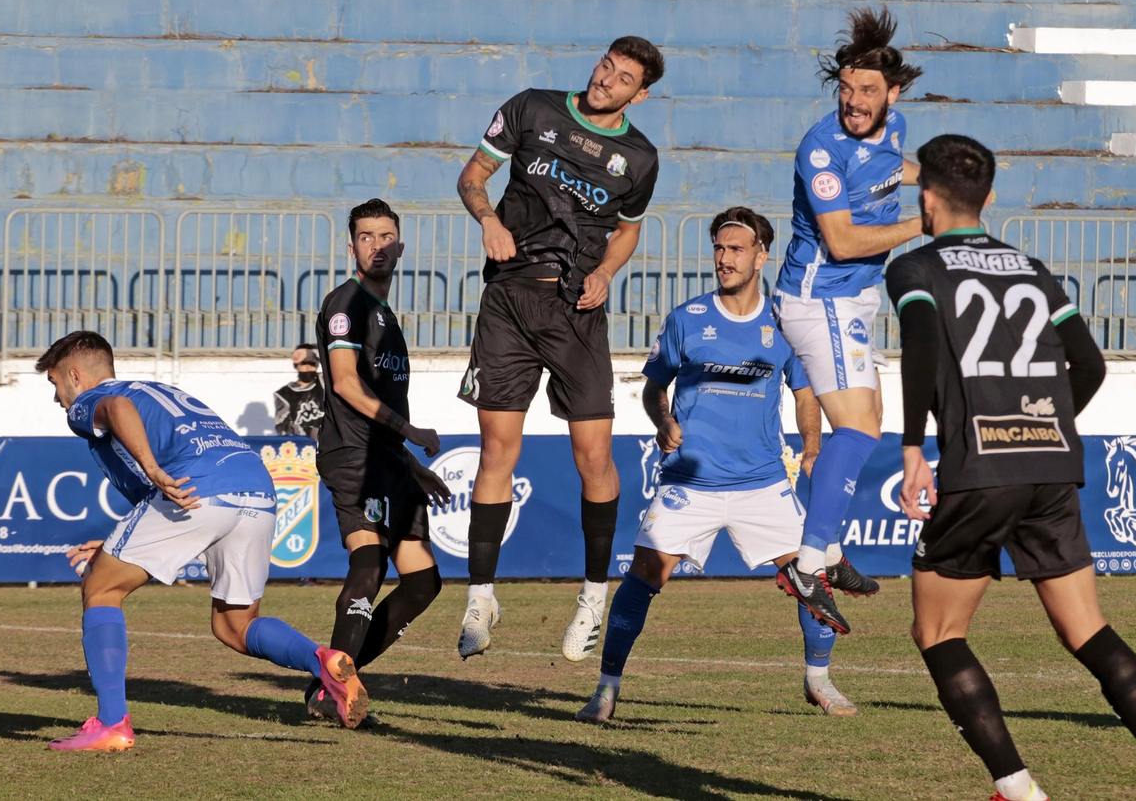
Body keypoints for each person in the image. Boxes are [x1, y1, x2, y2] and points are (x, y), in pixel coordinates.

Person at [887, 134, 1136, 801]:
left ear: (925, 197)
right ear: (990, 198)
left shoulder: (915, 268)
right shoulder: (1031, 267)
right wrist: (1051, 426)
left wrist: (913, 446)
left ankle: (1016, 785)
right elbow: (1090, 365)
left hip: (980, 467)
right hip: (1052, 465)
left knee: (937, 630)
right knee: (1087, 628)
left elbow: (920, 347)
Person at [575, 208, 857, 724]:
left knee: (809, 575)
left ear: (761, 255)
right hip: (690, 483)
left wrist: (812, 447)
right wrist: (662, 419)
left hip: (762, 481)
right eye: (719, 249)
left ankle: (819, 681)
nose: (724, 259)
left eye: (735, 249)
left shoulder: (783, 321)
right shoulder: (686, 318)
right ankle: (606, 690)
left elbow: (804, 392)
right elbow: (655, 387)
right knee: (642, 578)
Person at [36, 330, 365, 750]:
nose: (57, 397)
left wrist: (152, 469)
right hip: (257, 486)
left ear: (75, 375)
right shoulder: (160, 390)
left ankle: (111, 723)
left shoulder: (93, 401)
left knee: (100, 588)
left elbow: (115, 408)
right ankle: (322, 660)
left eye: (55, 385)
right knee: (235, 625)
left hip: (199, 488)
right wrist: (116, 541)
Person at [454, 36, 665, 661]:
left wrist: (606, 274)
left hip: (576, 310)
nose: (607, 80)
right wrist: (489, 220)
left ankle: (593, 598)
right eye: (606, 66)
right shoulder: (533, 108)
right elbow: (472, 176)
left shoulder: (640, 158)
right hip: (510, 302)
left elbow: (625, 235)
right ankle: (481, 597)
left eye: (623, 77)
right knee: (498, 447)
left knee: (593, 456)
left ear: (640, 93)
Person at [774, 6, 925, 633]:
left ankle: (829, 553)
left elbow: (899, 167)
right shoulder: (821, 149)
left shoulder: (892, 130)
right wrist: (931, 220)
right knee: (859, 431)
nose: (854, 101)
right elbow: (840, 242)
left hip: (853, 302)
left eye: (866, 91)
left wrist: (946, 178)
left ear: (892, 94)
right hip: (821, 299)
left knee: (867, 425)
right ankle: (810, 563)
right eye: (845, 90)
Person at [311, 199, 451, 719]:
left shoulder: (387, 315)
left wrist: (412, 463)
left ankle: (331, 680)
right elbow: (344, 383)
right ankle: (334, 689)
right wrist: (409, 431)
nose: (377, 245)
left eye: (386, 236)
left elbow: (380, 401)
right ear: (352, 248)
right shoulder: (346, 303)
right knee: (368, 564)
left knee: (422, 582)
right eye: (366, 237)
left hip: (389, 459)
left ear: (400, 247)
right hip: (355, 456)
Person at [273, 344, 326, 439]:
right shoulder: (284, 394)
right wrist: (312, 432)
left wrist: (310, 353)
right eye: (305, 363)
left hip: (328, 444)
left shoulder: (324, 383)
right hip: (301, 447)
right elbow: (281, 427)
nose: (309, 367)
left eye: (313, 364)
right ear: (296, 365)